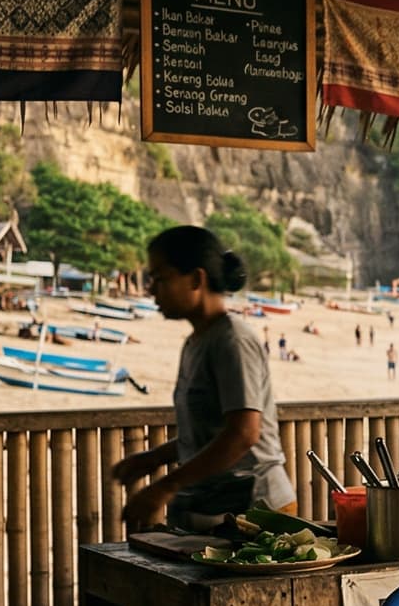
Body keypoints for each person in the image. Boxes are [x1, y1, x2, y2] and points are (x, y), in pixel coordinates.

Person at [112, 226, 295, 533]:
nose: (152, 289)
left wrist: (165, 487)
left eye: (161, 278)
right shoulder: (196, 342)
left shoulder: (232, 340)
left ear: (197, 279)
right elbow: (212, 433)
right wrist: (154, 458)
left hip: (258, 512)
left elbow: (243, 434)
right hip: (217, 508)